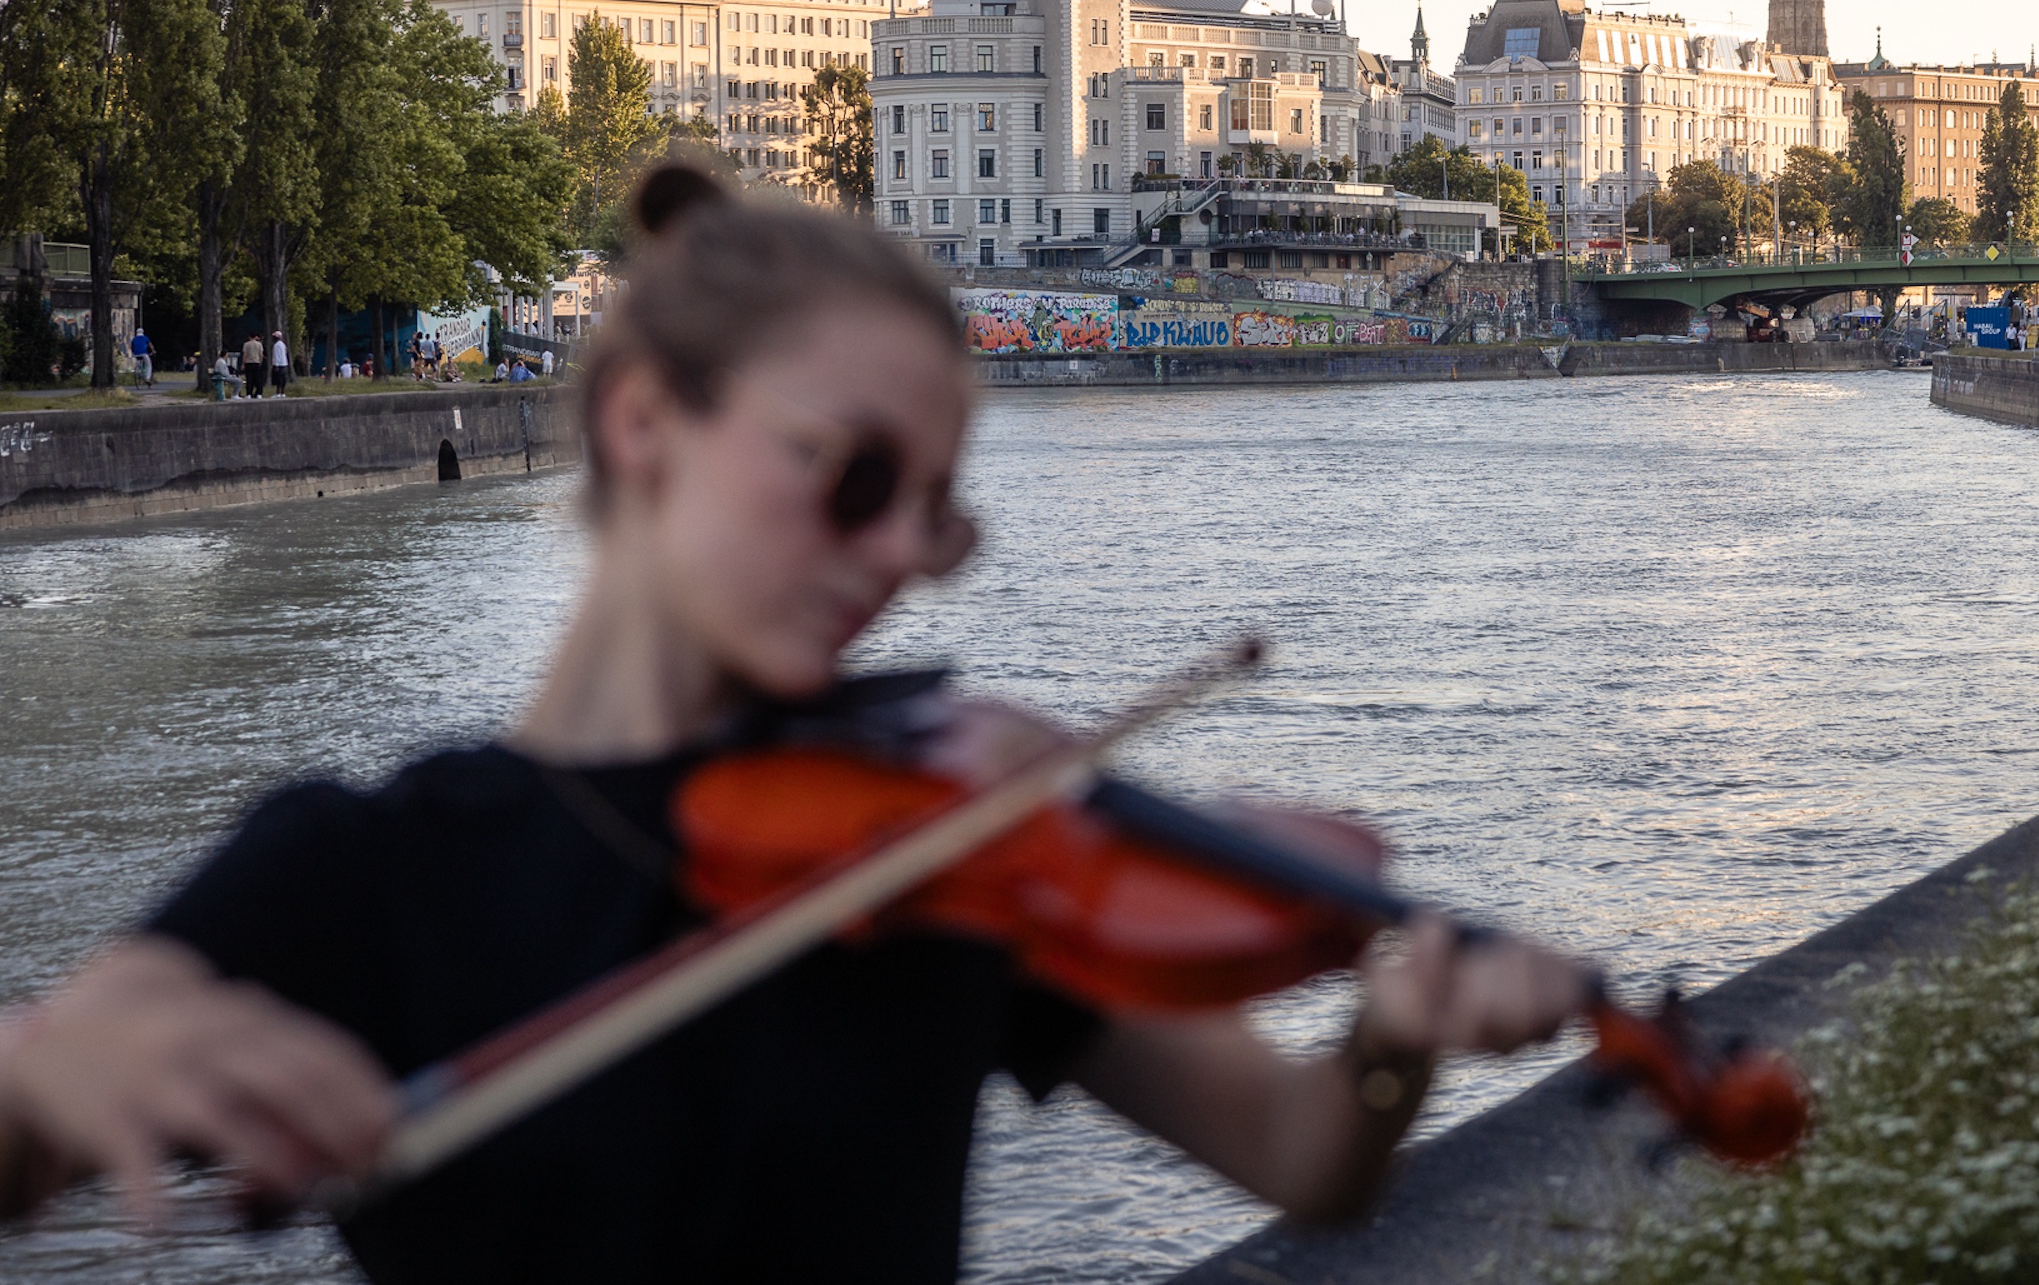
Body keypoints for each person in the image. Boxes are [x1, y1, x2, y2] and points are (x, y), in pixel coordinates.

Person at [0, 167, 1584, 1284]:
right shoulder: (367, 871)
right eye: (858, 479)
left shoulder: (954, 849)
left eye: (942, 517)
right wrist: (44, 1070)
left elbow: (1303, 1158)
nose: (907, 552)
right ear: (644, 425)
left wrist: (1392, 1046)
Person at [239, 332, 266, 398]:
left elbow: (245, 354)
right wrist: (260, 362)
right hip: (256, 362)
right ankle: (259, 393)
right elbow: (261, 354)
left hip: (248, 363)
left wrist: (243, 364)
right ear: (255, 337)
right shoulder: (259, 344)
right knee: (257, 379)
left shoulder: (246, 344)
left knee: (249, 379)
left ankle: (249, 393)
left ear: (249, 337)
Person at [268, 331, 290, 397]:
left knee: (278, 379)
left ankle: (278, 393)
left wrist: (276, 365)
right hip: (284, 363)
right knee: (283, 379)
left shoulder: (276, 345)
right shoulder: (283, 344)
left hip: (279, 364)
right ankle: (283, 393)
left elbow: (277, 355)